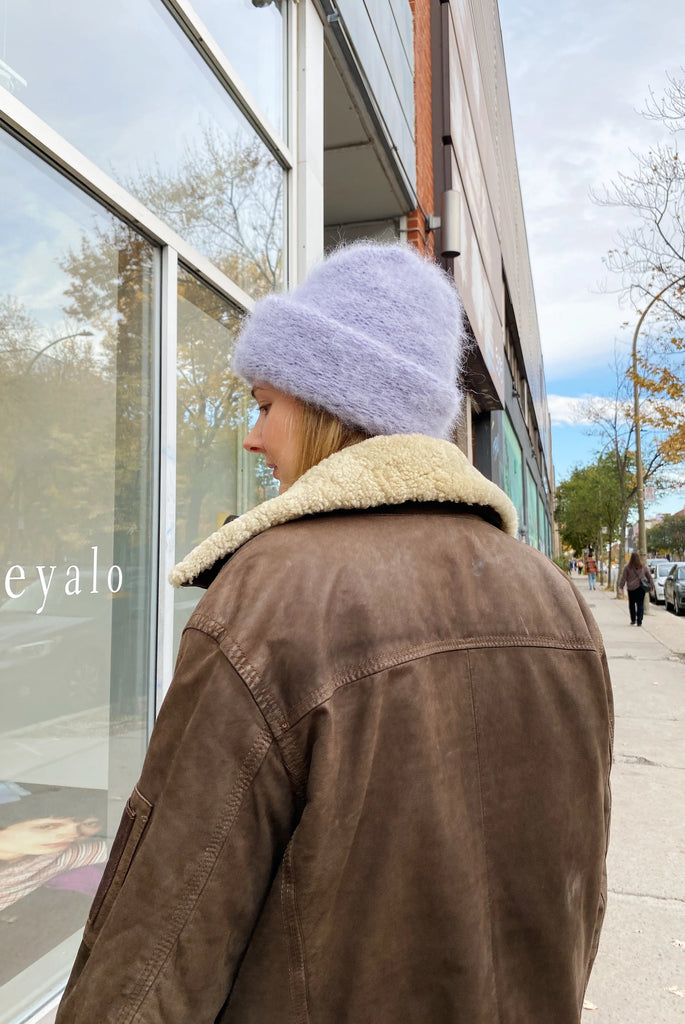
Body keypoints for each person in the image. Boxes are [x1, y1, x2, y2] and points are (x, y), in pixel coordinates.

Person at [56, 243, 613, 1024]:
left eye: (263, 405)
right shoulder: (555, 601)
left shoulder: (275, 590)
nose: (252, 437)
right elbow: (576, 888)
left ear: (330, 405)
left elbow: (162, 935)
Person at [618, 552, 653, 626]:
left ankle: (633, 620)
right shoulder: (643, 567)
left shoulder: (627, 567)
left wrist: (621, 587)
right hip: (641, 588)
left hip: (631, 589)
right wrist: (652, 586)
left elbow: (623, 578)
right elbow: (649, 577)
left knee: (632, 604)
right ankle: (639, 621)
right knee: (640, 604)